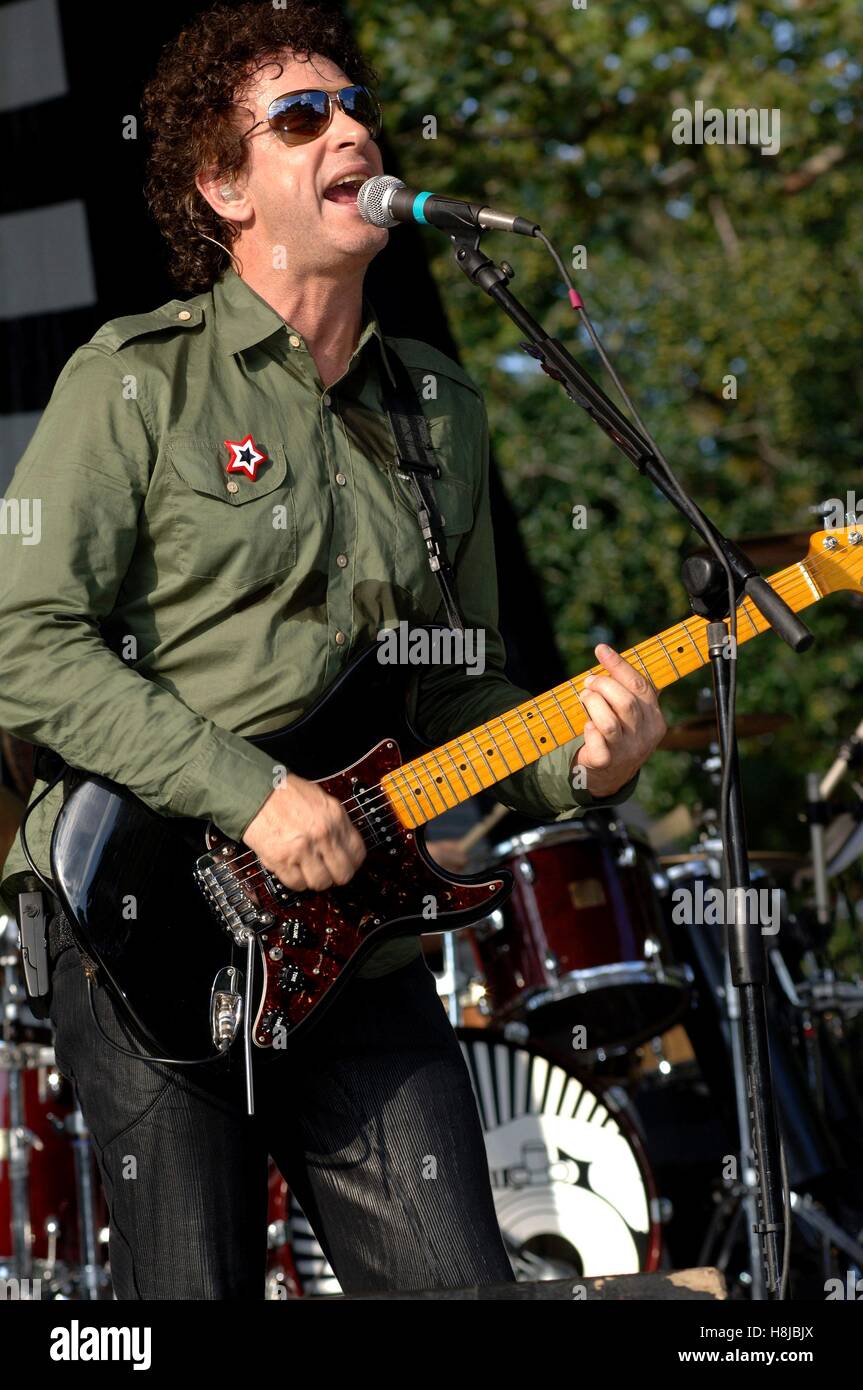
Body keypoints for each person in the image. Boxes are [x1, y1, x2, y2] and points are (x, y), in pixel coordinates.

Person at [0, 1, 665, 1299]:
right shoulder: (136, 381)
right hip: (147, 925)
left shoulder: (439, 407)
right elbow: (27, 647)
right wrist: (253, 793)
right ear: (225, 184)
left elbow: (458, 682)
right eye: (302, 118)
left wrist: (580, 761)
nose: (351, 127)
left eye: (355, 103)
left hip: (355, 945)